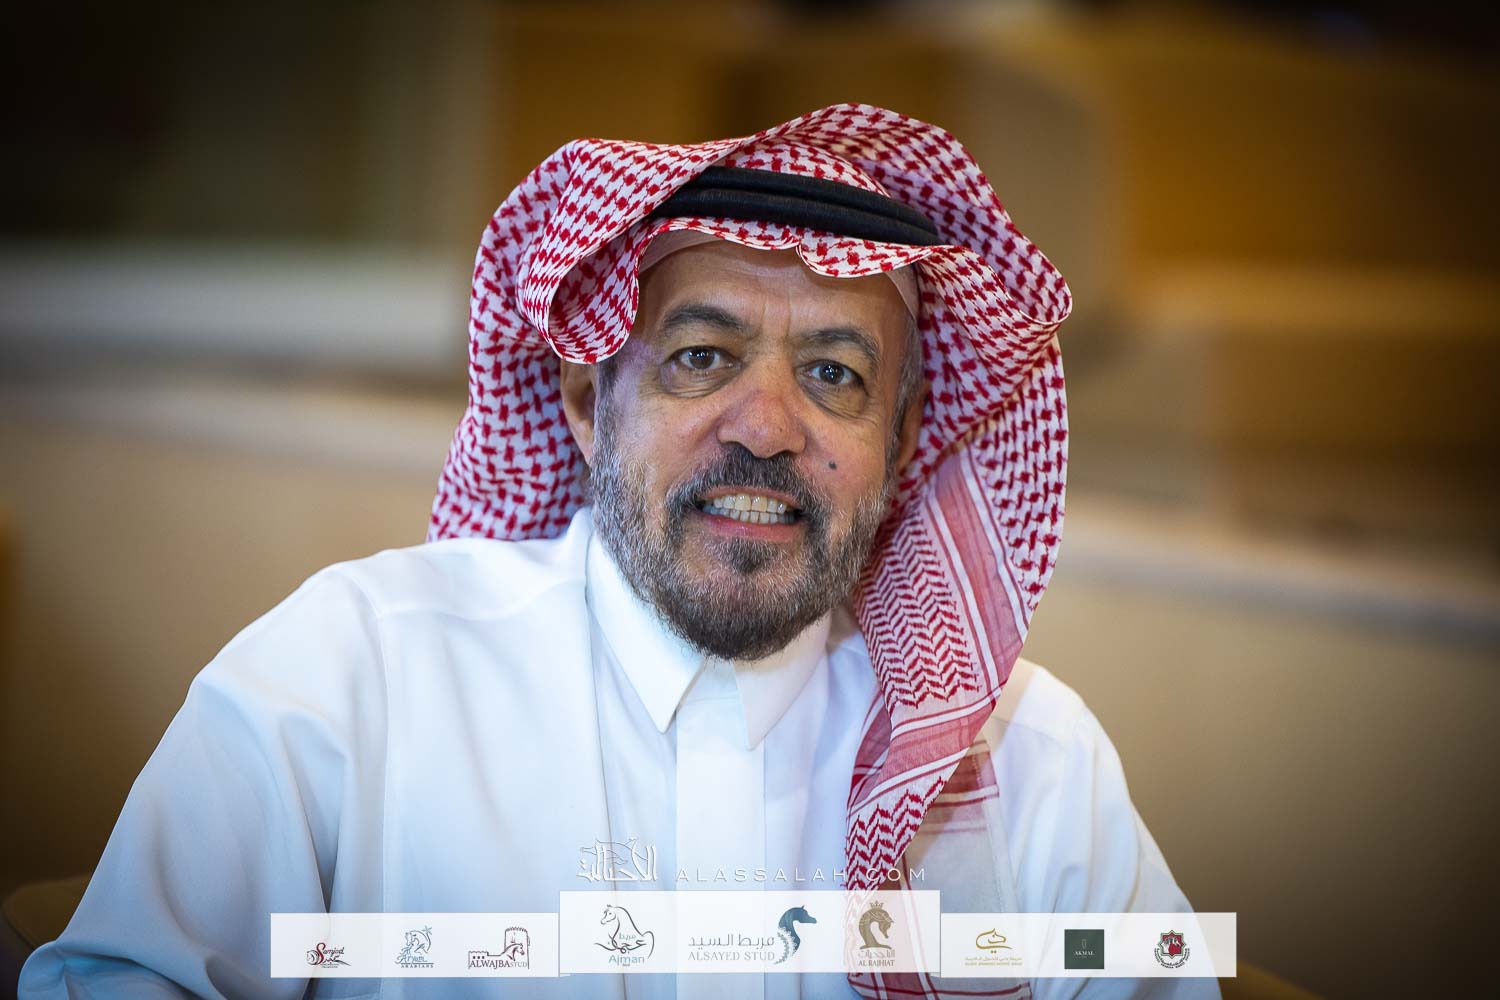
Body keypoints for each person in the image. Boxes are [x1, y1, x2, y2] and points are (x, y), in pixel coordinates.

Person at [19, 104, 1216, 999]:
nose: (765, 427)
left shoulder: (1033, 763)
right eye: (701, 357)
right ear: (591, 402)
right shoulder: (356, 676)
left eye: (834, 375)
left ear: (901, 446)